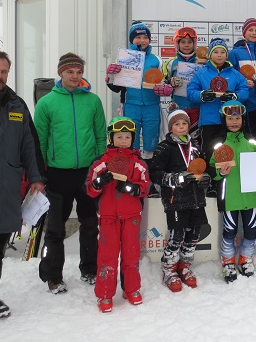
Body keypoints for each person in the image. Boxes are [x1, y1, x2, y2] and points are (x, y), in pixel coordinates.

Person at [0, 50, 45, 318]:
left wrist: (36, 177)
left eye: (3, 71)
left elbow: (29, 144)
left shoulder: (16, 105)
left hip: (6, 187)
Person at [35, 53, 107, 294]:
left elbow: (100, 135)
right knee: (56, 228)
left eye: (79, 72)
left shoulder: (93, 101)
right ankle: (53, 276)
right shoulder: (46, 103)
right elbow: (40, 142)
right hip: (58, 174)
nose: (75, 76)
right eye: (70, 72)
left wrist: (98, 164)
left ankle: (89, 269)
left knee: (90, 224)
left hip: (87, 172)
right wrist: (40, 173)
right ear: (60, 73)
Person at [86, 117, 150, 313]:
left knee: (131, 254)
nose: (123, 141)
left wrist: (131, 188)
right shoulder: (101, 163)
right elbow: (90, 189)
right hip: (108, 217)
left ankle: (131, 289)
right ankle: (105, 294)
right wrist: (99, 182)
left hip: (131, 217)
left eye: (127, 137)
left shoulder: (138, 163)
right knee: (108, 256)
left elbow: (146, 186)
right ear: (111, 138)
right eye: (119, 137)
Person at [148, 109, 210, 291]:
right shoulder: (164, 148)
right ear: (170, 127)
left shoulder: (196, 147)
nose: (181, 127)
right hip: (175, 200)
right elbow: (155, 174)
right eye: (177, 124)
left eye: (184, 124)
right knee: (177, 236)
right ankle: (169, 269)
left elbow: (204, 170)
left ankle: (184, 266)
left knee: (194, 235)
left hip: (196, 199)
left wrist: (205, 180)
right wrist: (176, 178)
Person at [210, 101, 256, 283]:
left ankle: (245, 258)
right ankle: (228, 261)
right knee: (230, 230)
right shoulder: (218, 143)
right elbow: (210, 168)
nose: (234, 122)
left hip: (249, 195)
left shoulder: (251, 141)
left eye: (238, 118)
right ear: (223, 120)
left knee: (251, 230)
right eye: (230, 118)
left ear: (243, 119)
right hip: (229, 196)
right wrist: (219, 172)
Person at [106, 21, 172, 159]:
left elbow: (164, 80)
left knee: (151, 139)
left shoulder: (156, 60)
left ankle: (150, 165)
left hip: (151, 106)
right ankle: (132, 165)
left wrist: (166, 88)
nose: (142, 40)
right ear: (131, 39)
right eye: (138, 37)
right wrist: (110, 76)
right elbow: (116, 87)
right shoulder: (123, 58)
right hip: (131, 105)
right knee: (130, 139)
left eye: (145, 37)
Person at [187, 38, 249, 163]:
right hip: (209, 120)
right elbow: (190, 91)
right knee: (210, 151)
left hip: (231, 121)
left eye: (222, 52)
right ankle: (211, 173)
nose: (219, 55)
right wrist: (202, 95)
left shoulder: (235, 74)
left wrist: (235, 96)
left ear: (227, 55)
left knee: (230, 151)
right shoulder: (201, 73)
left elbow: (245, 91)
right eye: (216, 52)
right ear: (210, 55)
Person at [162, 26, 204, 137]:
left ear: (194, 44)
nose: (186, 45)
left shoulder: (201, 62)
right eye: (183, 42)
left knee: (196, 140)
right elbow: (163, 83)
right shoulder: (170, 63)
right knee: (178, 138)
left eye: (190, 42)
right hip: (178, 107)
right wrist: (170, 83)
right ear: (177, 43)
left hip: (197, 108)